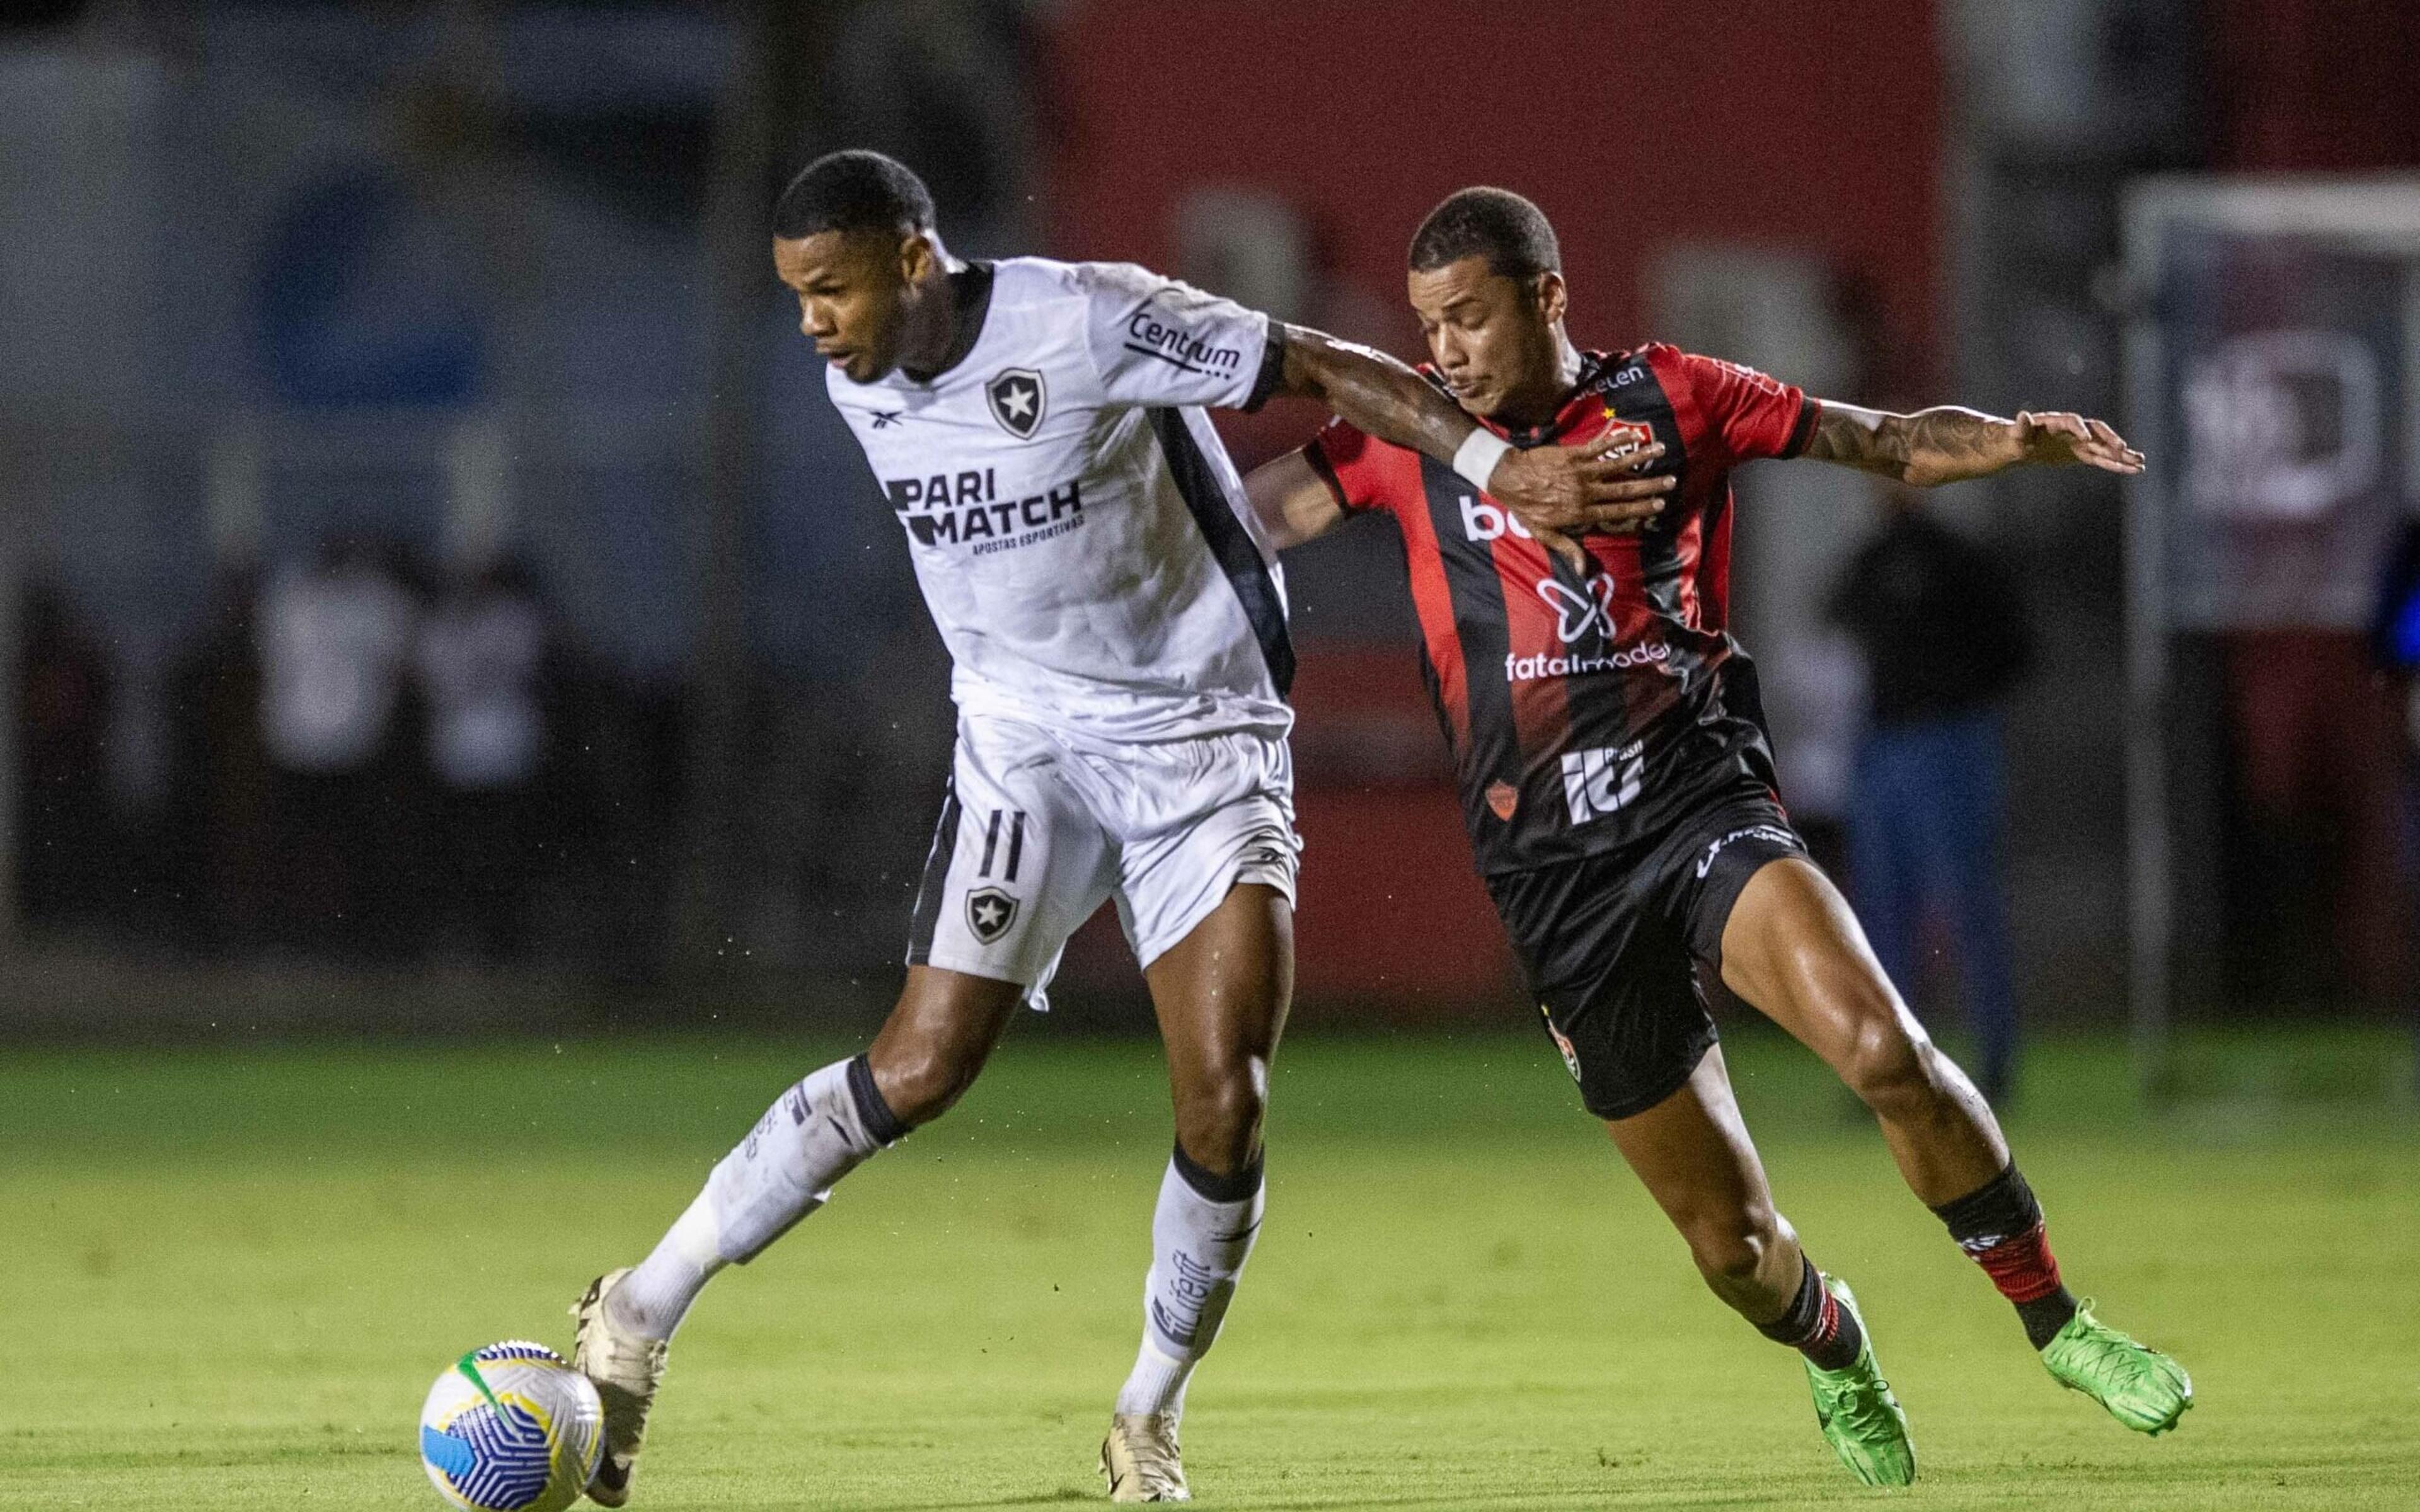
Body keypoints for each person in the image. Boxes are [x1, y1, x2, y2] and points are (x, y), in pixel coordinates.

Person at [566, 152, 1661, 1508]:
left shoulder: (1089, 318)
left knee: (1226, 1097)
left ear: (916, 262)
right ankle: (633, 1315)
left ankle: (1148, 1414)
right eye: (796, 296)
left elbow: (1317, 363)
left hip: (1205, 738)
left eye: (832, 289)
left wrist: (1505, 466)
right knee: (918, 1068)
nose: (813, 324)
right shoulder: (859, 380)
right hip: (1028, 747)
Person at [1243, 186, 2189, 1487]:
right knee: (1732, 1249)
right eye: (1429, 326)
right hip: (1552, 881)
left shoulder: (1677, 396)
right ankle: (1838, 1346)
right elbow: (1254, 519)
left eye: (1469, 318)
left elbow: (1887, 441)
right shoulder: (1413, 436)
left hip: (1699, 802)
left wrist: (2007, 444)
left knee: (1885, 1051)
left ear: (1549, 298)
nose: (1447, 349)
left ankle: (2058, 1319)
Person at [1829, 489, 2032, 1104]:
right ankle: (1889, 1065)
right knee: (1880, 916)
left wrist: (1957, 698)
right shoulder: (1874, 556)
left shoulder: (1953, 558)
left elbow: (2014, 647)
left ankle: (1994, 1061)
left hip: (1947, 742)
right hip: (1885, 744)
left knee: (1965, 903)